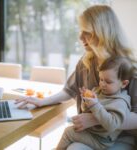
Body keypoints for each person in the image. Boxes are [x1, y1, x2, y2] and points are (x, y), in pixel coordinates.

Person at [15, 4, 137, 150]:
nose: (80, 37)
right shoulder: (86, 61)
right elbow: (69, 91)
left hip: (120, 137)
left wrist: (95, 119)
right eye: (80, 31)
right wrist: (42, 101)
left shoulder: (128, 68)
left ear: (102, 33)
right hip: (92, 134)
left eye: (87, 32)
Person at [56, 56, 134, 150]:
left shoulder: (120, 102)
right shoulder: (98, 91)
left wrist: (95, 105)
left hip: (101, 140)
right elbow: (85, 111)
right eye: (101, 79)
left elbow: (112, 125)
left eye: (108, 82)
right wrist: (85, 100)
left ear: (124, 84)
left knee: (68, 133)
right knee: (70, 131)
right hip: (91, 133)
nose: (102, 84)